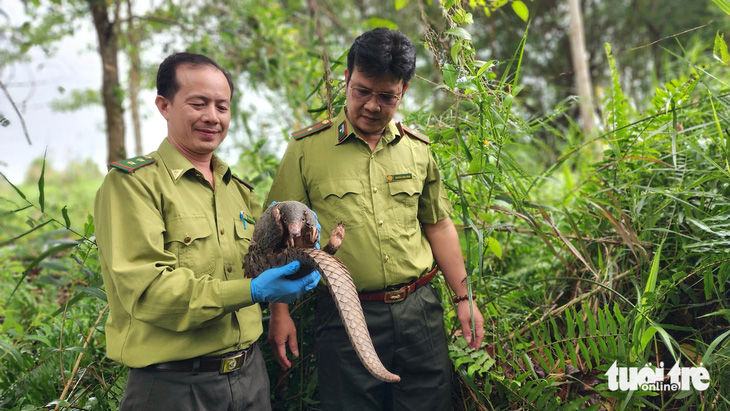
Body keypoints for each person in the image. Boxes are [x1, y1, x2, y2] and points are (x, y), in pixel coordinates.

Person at [266, 28, 486, 410]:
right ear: (347, 79)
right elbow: (280, 235)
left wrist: (463, 297)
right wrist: (279, 311)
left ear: (403, 92)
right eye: (362, 91)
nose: (372, 105)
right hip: (344, 312)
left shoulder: (417, 150)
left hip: (419, 311)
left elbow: (438, 224)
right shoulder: (306, 150)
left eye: (387, 97)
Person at [94, 52, 321, 411]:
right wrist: (252, 290)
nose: (212, 117)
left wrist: (296, 250)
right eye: (198, 104)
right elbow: (150, 292)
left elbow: (260, 262)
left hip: (250, 376)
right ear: (164, 105)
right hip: (173, 385)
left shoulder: (239, 190)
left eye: (222, 106)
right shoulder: (133, 186)